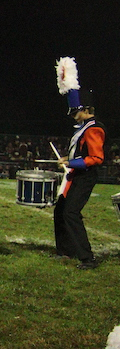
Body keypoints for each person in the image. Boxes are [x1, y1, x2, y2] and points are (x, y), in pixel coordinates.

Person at [54, 97, 105, 270]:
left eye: (75, 111)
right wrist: (67, 159)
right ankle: (65, 251)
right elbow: (81, 153)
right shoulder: (85, 127)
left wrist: (71, 163)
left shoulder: (94, 128)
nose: (72, 115)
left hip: (85, 176)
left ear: (86, 110)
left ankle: (87, 258)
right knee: (60, 210)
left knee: (71, 213)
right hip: (76, 174)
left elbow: (96, 158)